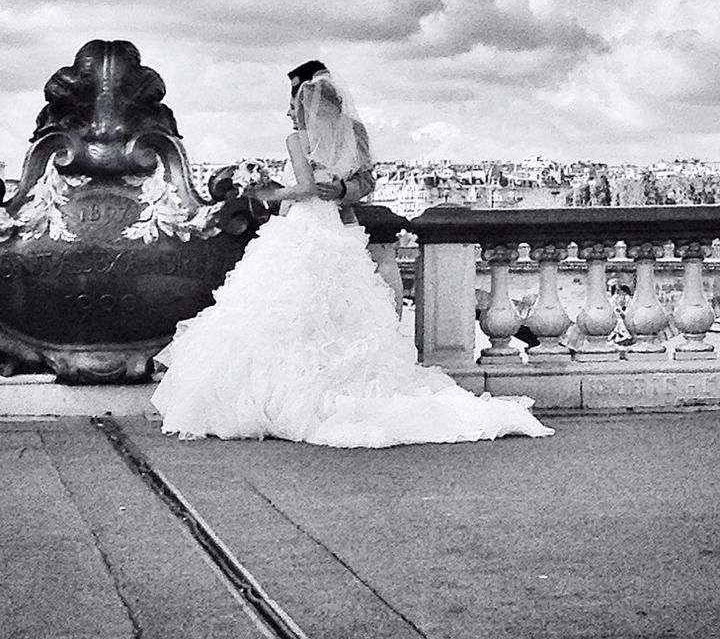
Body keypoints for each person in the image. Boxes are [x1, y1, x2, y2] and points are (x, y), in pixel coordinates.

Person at [151, 62, 552, 447]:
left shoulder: (335, 134)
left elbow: (363, 180)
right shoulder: (324, 134)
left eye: (294, 100)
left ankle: (286, 397)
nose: (289, 109)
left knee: (290, 312)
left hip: (318, 227)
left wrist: (288, 192)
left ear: (312, 98)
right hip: (322, 231)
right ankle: (305, 392)